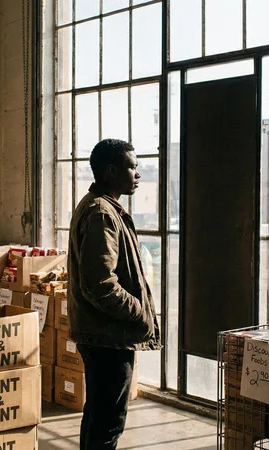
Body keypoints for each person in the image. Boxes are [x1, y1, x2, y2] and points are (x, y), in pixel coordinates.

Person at [68, 138, 161, 449]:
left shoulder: (102, 206)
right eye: (131, 167)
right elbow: (100, 285)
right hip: (107, 336)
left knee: (98, 416)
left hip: (102, 334)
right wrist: (140, 311)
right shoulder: (102, 214)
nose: (137, 174)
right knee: (108, 422)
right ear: (110, 171)